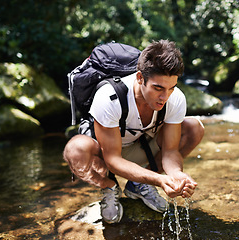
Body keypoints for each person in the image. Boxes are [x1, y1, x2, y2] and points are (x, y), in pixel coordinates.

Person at [63, 39, 204, 224]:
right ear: (139, 78)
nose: (165, 97)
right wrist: (158, 180)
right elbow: (113, 160)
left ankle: (139, 184)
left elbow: (170, 151)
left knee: (195, 128)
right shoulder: (109, 97)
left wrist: (176, 174)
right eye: (158, 88)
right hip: (107, 155)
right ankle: (109, 187)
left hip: (140, 145)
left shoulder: (174, 98)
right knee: (75, 149)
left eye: (171, 88)